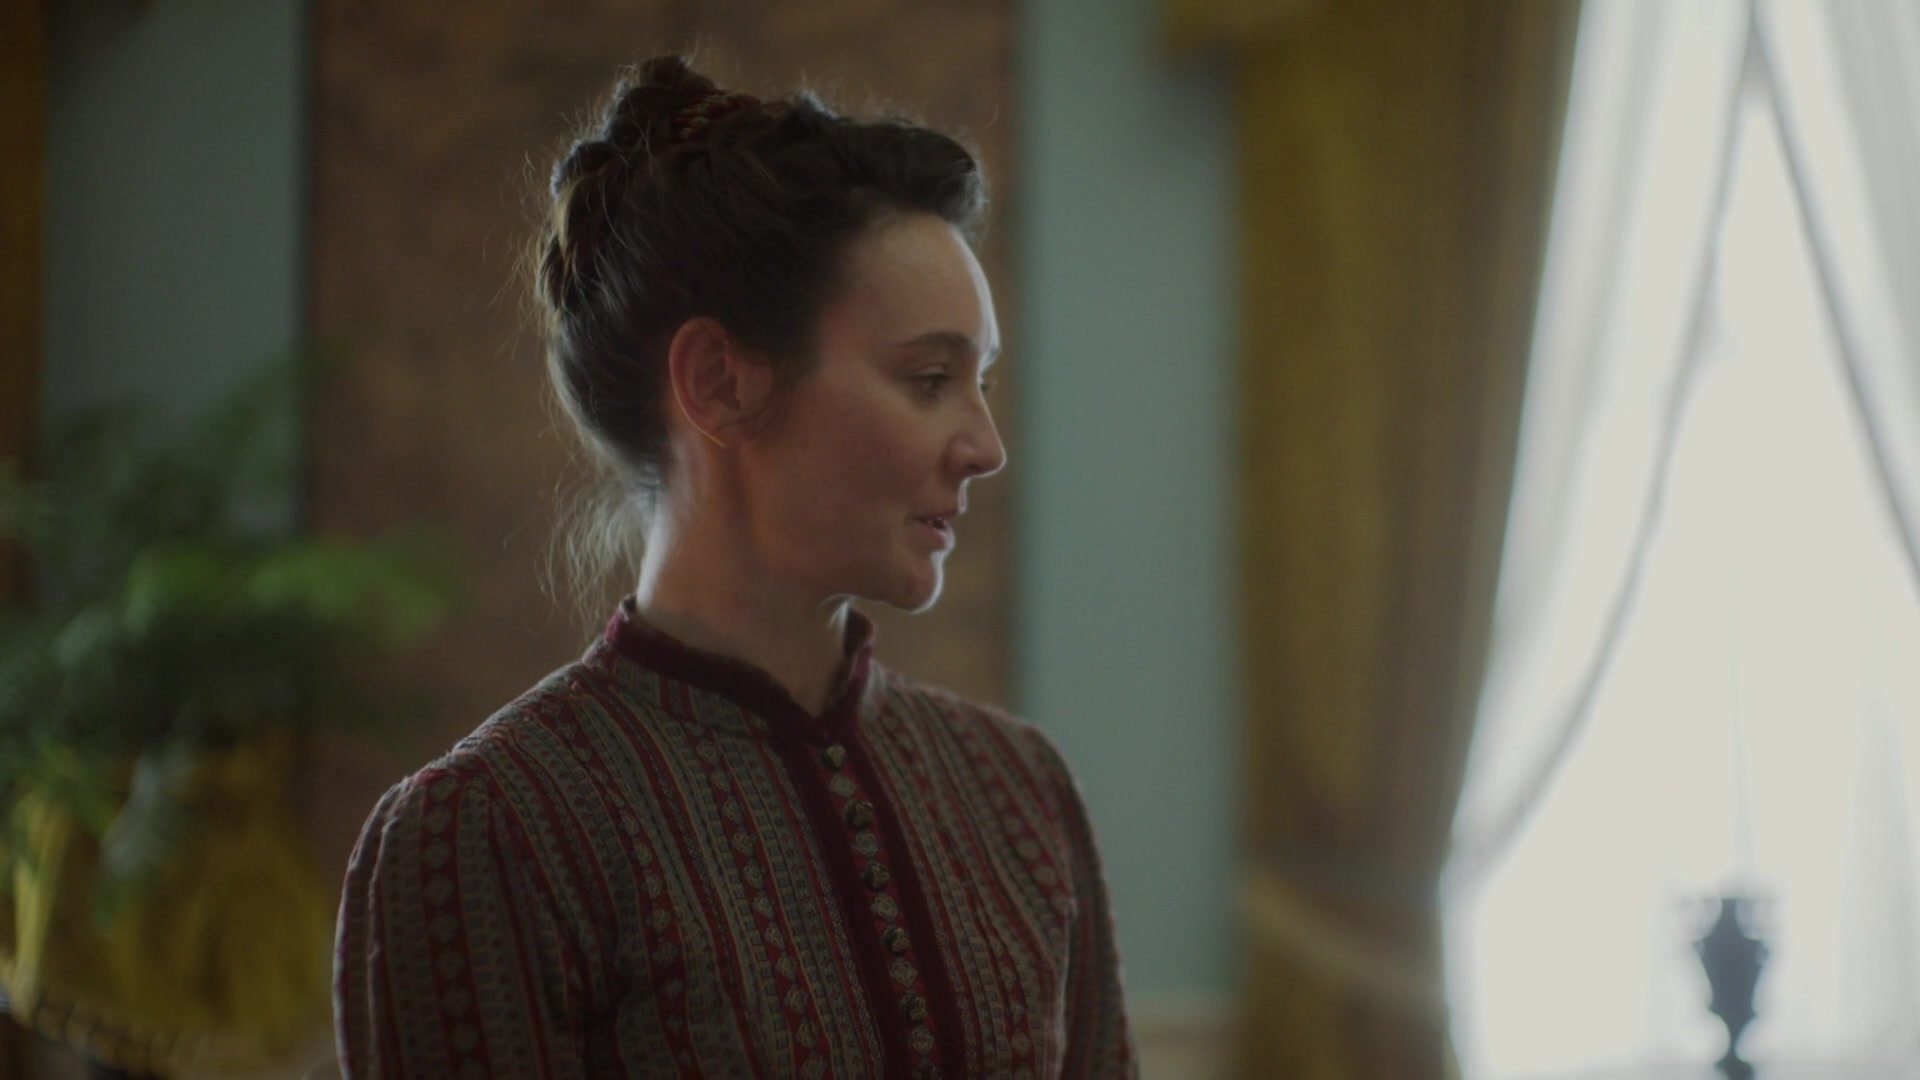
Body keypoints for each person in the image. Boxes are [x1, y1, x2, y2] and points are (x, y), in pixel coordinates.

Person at [332, 55, 1136, 1078]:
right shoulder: (491, 831)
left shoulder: (1020, 791)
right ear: (718, 383)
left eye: (981, 383)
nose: (985, 446)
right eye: (931, 378)